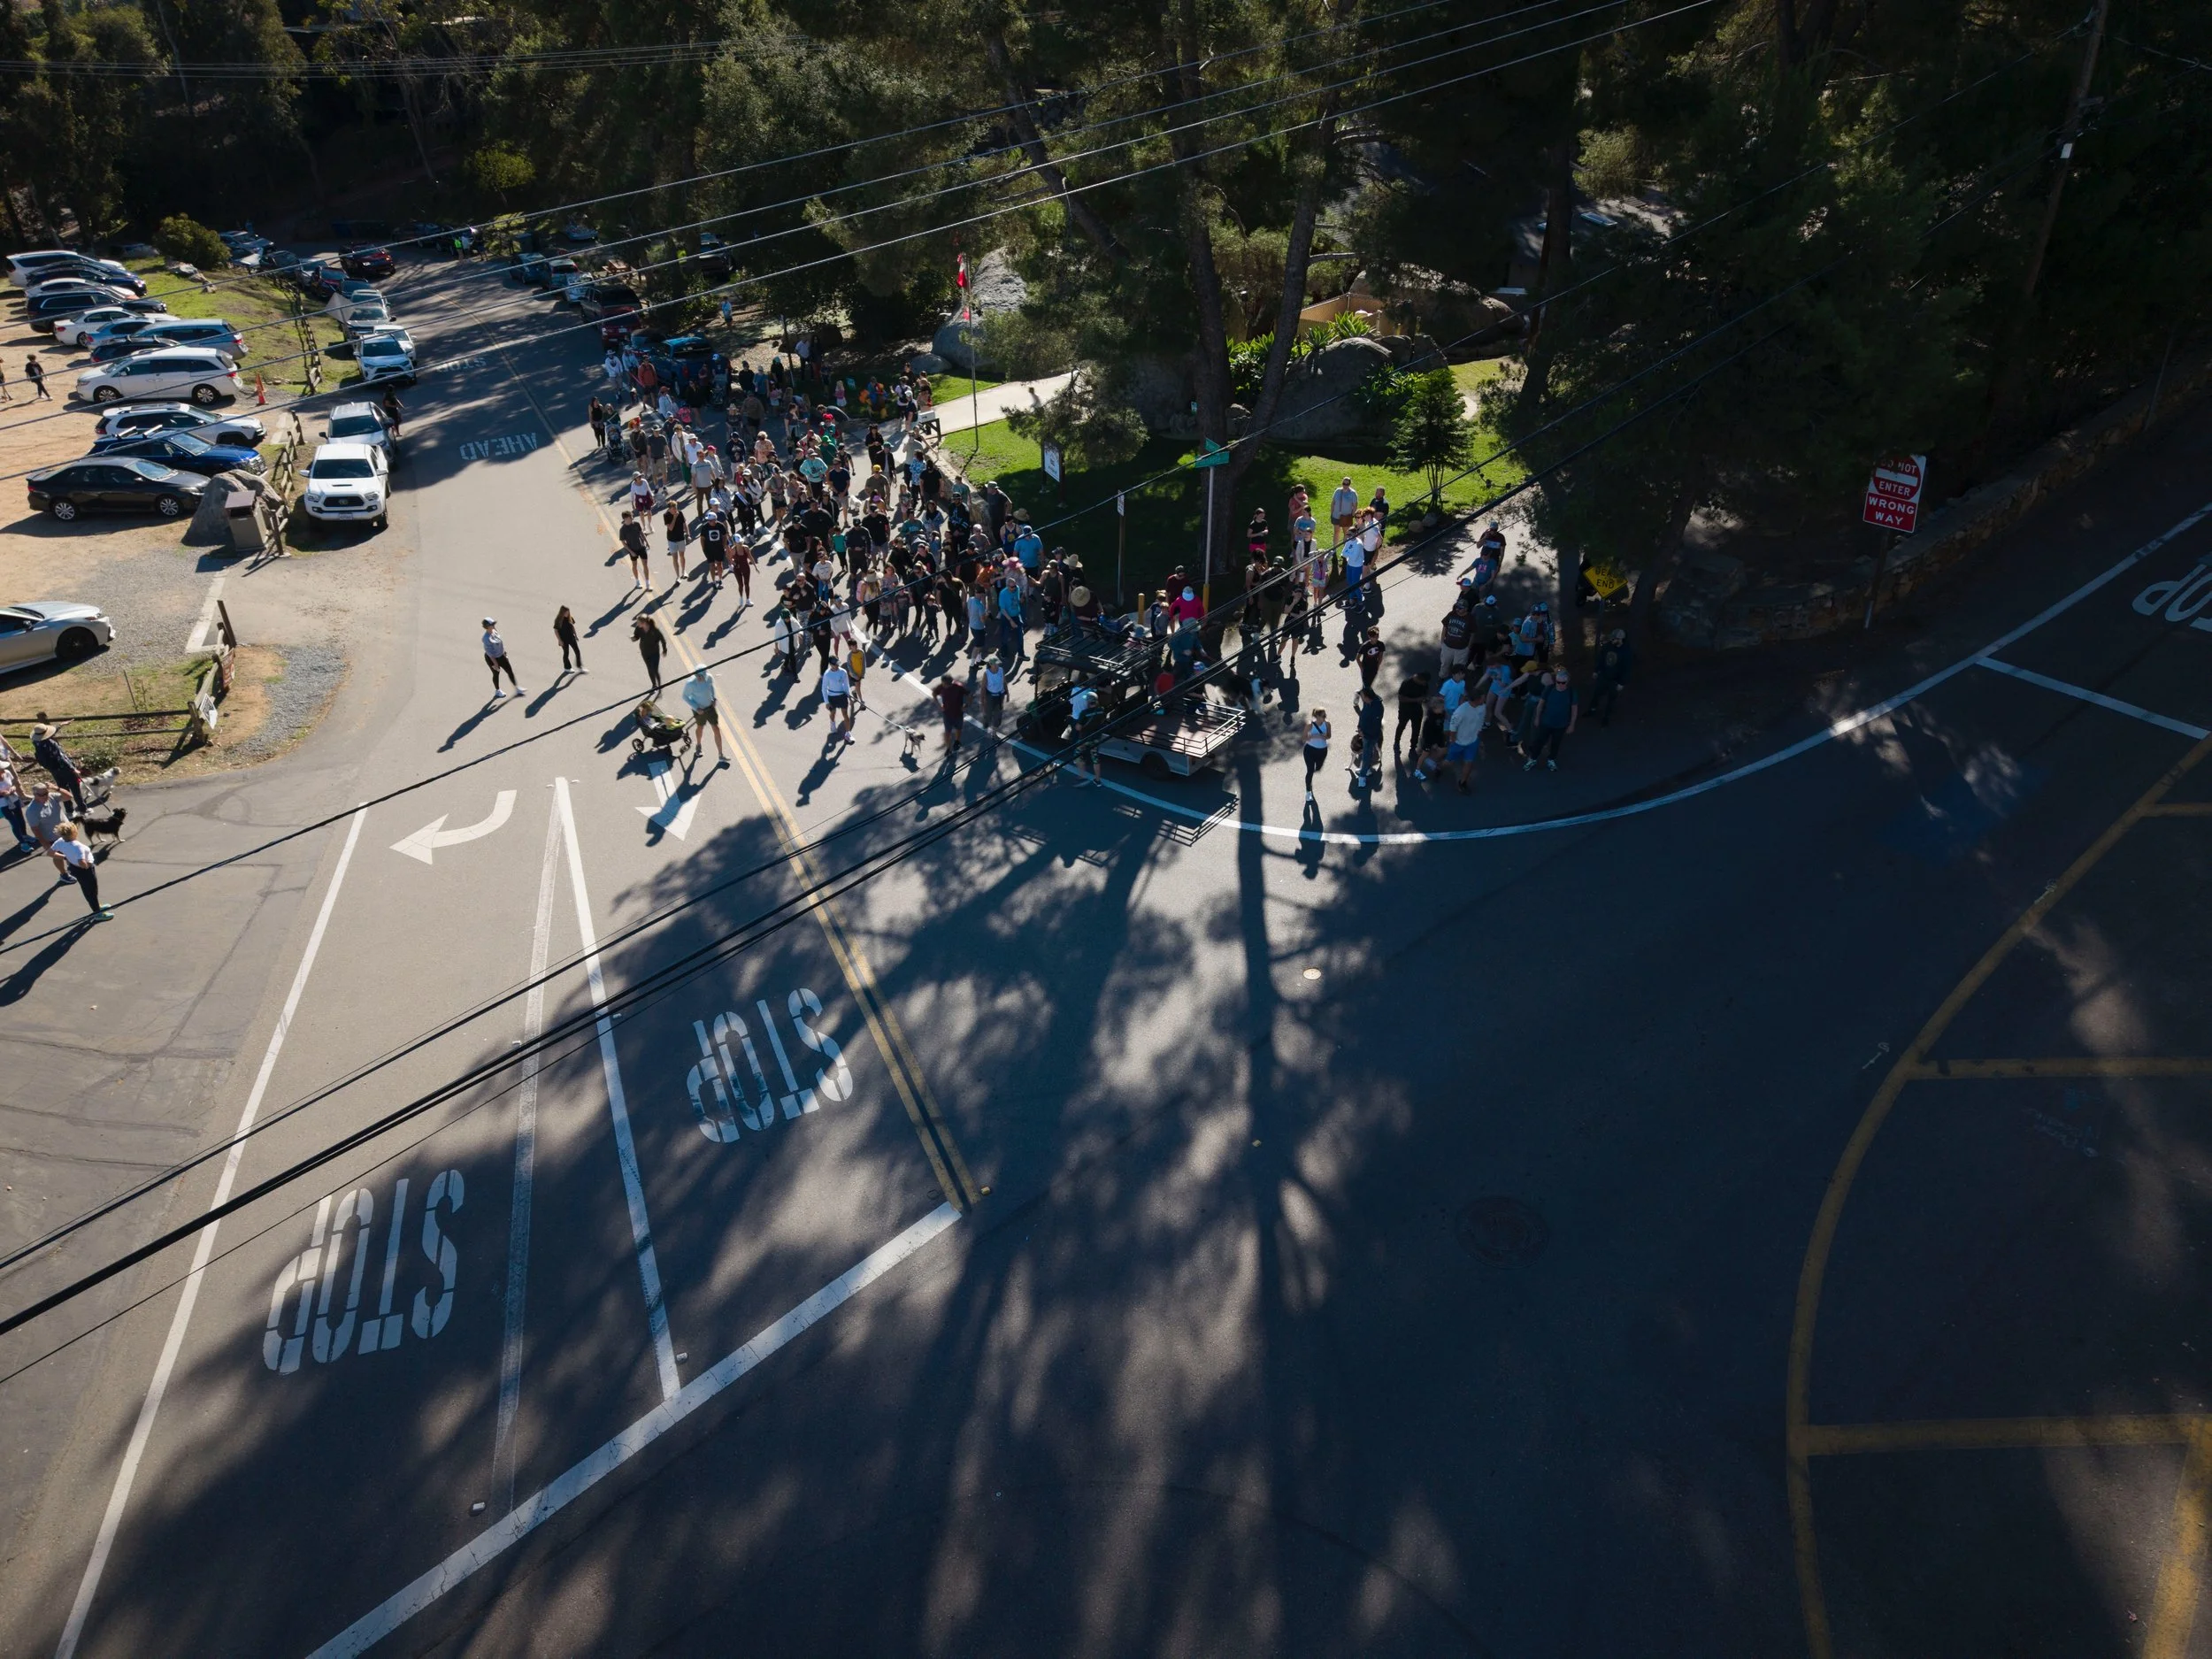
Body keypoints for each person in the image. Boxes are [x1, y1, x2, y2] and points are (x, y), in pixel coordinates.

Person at [50, 823, 110, 921]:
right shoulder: (78, 847)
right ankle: (97, 913)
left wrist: (66, 857)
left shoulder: (60, 841)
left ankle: (96, 905)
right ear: (75, 833)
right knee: (91, 891)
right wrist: (88, 865)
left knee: (87, 889)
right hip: (85, 871)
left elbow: (50, 853)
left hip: (74, 868)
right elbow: (82, 862)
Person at [1523, 668, 1579, 771]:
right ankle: (1533, 759)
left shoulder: (1571, 692)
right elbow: (1540, 705)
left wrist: (1572, 724)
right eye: (1558, 682)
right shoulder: (1549, 689)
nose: (1560, 684)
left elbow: (1574, 710)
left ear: (1567, 682)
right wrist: (1537, 718)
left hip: (1561, 724)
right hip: (1546, 722)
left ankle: (1551, 759)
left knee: (1556, 743)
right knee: (1539, 741)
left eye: (1563, 683)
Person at [680, 666, 728, 764]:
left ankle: (720, 755)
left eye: (700, 675)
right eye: (696, 675)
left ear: (704, 675)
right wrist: (696, 708)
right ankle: (698, 745)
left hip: (710, 708)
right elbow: (685, 696)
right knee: (700, 727)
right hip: (699, 710)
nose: (698, 677)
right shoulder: (691, 683)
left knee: (716, 728)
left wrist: (714, 698)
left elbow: (711, 687)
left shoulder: (709, 678)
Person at [1588, 627, 1633, 725]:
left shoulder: (1626, 652)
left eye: (1614, 639)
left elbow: (1627, 669)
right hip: (1604, 676)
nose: (1612, 640)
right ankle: (1592, 709)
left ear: (1620, 639)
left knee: (1611, 699)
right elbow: (1601, 659)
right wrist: (1597, 670)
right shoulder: (1607, 647)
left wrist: (1622, 683)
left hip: (1615, 680)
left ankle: (1606, 716)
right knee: (1597, 694)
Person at [1446, 689, 1486, 792]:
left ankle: (1463, 782)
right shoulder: (1461, 711)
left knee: (1469, 763)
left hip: (1473, 741)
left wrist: (1479, 737)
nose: (1484, 699)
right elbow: (1453, 726)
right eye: (1482, 697)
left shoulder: (1483, 707)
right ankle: (1438, 767)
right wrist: (1453, 739)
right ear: (1476, 700)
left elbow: (1481, 721)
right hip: (1458, 742)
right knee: (1448, 762)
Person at [1393, 670, 1431, 766]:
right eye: (1424, 682)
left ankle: (1413, 747)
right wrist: (1415, 700)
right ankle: (1397, 742)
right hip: (1405, 709)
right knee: (1401, 726)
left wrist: (1425, 699)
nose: (1425, 684)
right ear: (1420, 679)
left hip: (1417, 710)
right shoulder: (1407, 683)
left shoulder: (1424, 684)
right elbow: (1401, 697)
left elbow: (1425, 693)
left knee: (1416, 729)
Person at [481, 618, 524, 699]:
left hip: (501, 655)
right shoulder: (486, 638)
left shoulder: (494, 631)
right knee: (496, 674)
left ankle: (517, 688)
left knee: (510, 671)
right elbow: (490, 654)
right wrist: (496, 665)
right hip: (492, 659)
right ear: (487, 627)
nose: (494, 625)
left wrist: (504, 652)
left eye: (494, 624)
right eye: (492, 624)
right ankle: (497, 691)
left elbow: (499, 642)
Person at [1353, 688, 1384, 788]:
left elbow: (1374, 725)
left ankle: (1362, 778)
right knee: (1368, 753)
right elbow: (1362, 716)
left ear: (1367, 697)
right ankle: (1368, 770)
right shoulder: (1368, 703)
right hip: (1365, 733)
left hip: (1370, 736)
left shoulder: (1377, 708)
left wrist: (1364, 733)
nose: (1361, 697)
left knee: (1366, 755)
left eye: (1362, 696)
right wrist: (1359, 727)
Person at [933, 672, 965, 757]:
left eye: (947, 684)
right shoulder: (941, 687)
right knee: (948, 732)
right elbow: (934, 694)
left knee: (959, 728)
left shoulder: (959, 686)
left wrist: (966, 705)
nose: (945, 686)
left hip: (958, 713)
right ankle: (948, 749)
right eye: (944, 684)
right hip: (947, 714)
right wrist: (939, 705)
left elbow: (969, 694)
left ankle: (957, 741)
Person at [631, 612, 666, 692]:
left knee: (655, 670)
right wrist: (634, 638)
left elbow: (663, 640)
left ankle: (660, 686)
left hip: (654, 652)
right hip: (645, 652)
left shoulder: (654, 630)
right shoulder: (638, 629)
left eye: (638, 622)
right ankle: (654, 685)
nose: (637, 624)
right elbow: (637, 636)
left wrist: (664, 650)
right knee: (650, 669)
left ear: (644, 623)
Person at [820, 658, 854, 739]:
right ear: (831, 665)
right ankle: (832, 724)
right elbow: (824, 688)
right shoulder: (827, 674)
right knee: (833, 713)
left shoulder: (843, 672)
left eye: (838, 664)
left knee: (845, 714)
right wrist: (826, 702)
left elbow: (846, 685)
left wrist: (850, 698)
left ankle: (848, 733)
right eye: (835, 664)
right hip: (832, 697)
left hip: (842, 696)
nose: (837, 666)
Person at [1302, 707, 1332, 796]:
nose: (1325, 717)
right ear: (1317, 716)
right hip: (1309, 750)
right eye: (1323, 715)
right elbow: (1303, 738)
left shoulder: (1327, 724)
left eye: (1325, 715)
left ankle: (1313, 773)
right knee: (1310, 771)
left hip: (1322, 751)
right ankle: (1308, 791)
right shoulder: (1309, 725)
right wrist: (1315, 736)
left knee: (1318, 768)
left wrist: (1325, 736)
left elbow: (1329, 736)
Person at [619, 511, 650, 588]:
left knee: (645, 565)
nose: (632, 518)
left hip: (641, 547)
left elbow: (641, 533)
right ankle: (637, 581)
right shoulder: (623, 530)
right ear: (626, 518)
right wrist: (631, 552)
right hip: (632, 550)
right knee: (634, 565)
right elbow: (623, 543)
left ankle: (647, 582)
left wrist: (647, 542)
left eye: (632, 517)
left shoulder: (636, 524)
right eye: (631, 517)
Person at [1328, 476, 1358, 549]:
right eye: (1344, 483)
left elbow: (1355, 505)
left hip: (1346, 516)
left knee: (1346, 533)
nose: (1345, 485)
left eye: (1347, 484)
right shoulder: (1338, 491)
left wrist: (1352, 515)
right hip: (1336, 515)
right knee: (1336, 532)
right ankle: (1334, 549)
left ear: (1349, 484)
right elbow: (1333, 503)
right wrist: (1332, 513)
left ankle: (1345, 549)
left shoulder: (1353, 493)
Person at [979, 655, 1008, 730]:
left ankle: (994, 730)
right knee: (989, 712)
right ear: (991, 665)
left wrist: (1007, 693)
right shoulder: (987, 673)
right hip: (990, 696)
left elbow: (1004, 682)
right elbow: (983, 688)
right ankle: (987, 720)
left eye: (998, 664)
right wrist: (982, 700)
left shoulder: (1001, 670)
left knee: (998, 713)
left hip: (1000, 695)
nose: (997, 665)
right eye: (996, 664)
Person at [553, 605, 584, 674]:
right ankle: (567, 668)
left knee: (577, 651)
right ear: (562, 612)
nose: (567, 614)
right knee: (566, 653)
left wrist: (576, 635)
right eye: (566, 612)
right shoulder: (558, 620)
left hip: (571, 638)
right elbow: (556, 631)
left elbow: (572, 627)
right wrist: (560, 640)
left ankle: (579, 666)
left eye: (568, 612)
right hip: (563, 640)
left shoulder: (570, 618)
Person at [1357, 626, 1385, 692]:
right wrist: (1362, 668)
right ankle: (1360, 694)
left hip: (1374, 667)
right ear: (1369, 637)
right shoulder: (1365, 646)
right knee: (1366, 686)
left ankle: (1365, 694)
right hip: (1365, 667)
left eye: (1377, 636)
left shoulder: (1381, 644)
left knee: (1370, 683)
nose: (1376, 638)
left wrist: (1378, 666)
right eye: (1374, 637)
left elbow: (1380, 656)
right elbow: (1358, 658)